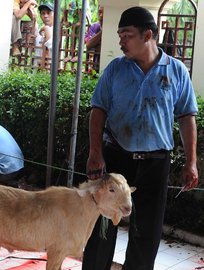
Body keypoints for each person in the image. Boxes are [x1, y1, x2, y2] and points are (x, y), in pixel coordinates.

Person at [82, 7, 199, 270]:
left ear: (148, 35)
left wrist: (191, 162)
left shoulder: (176, 71)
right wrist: (95, 152)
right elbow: (98, 110)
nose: (121, 41)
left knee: (146, 232)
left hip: (155, 162)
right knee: (102, 227)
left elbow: (186, 117)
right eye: (120, 34)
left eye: (127, 35)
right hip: (115, 159)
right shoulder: (115, 70)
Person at [34, 3, 53, 68]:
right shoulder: (38, 32)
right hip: (38, 70)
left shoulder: (58, 30)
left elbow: (51, 46)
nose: (45, 16)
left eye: (49, 13)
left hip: (51, 70)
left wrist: (46, 28)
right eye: (43, 13)